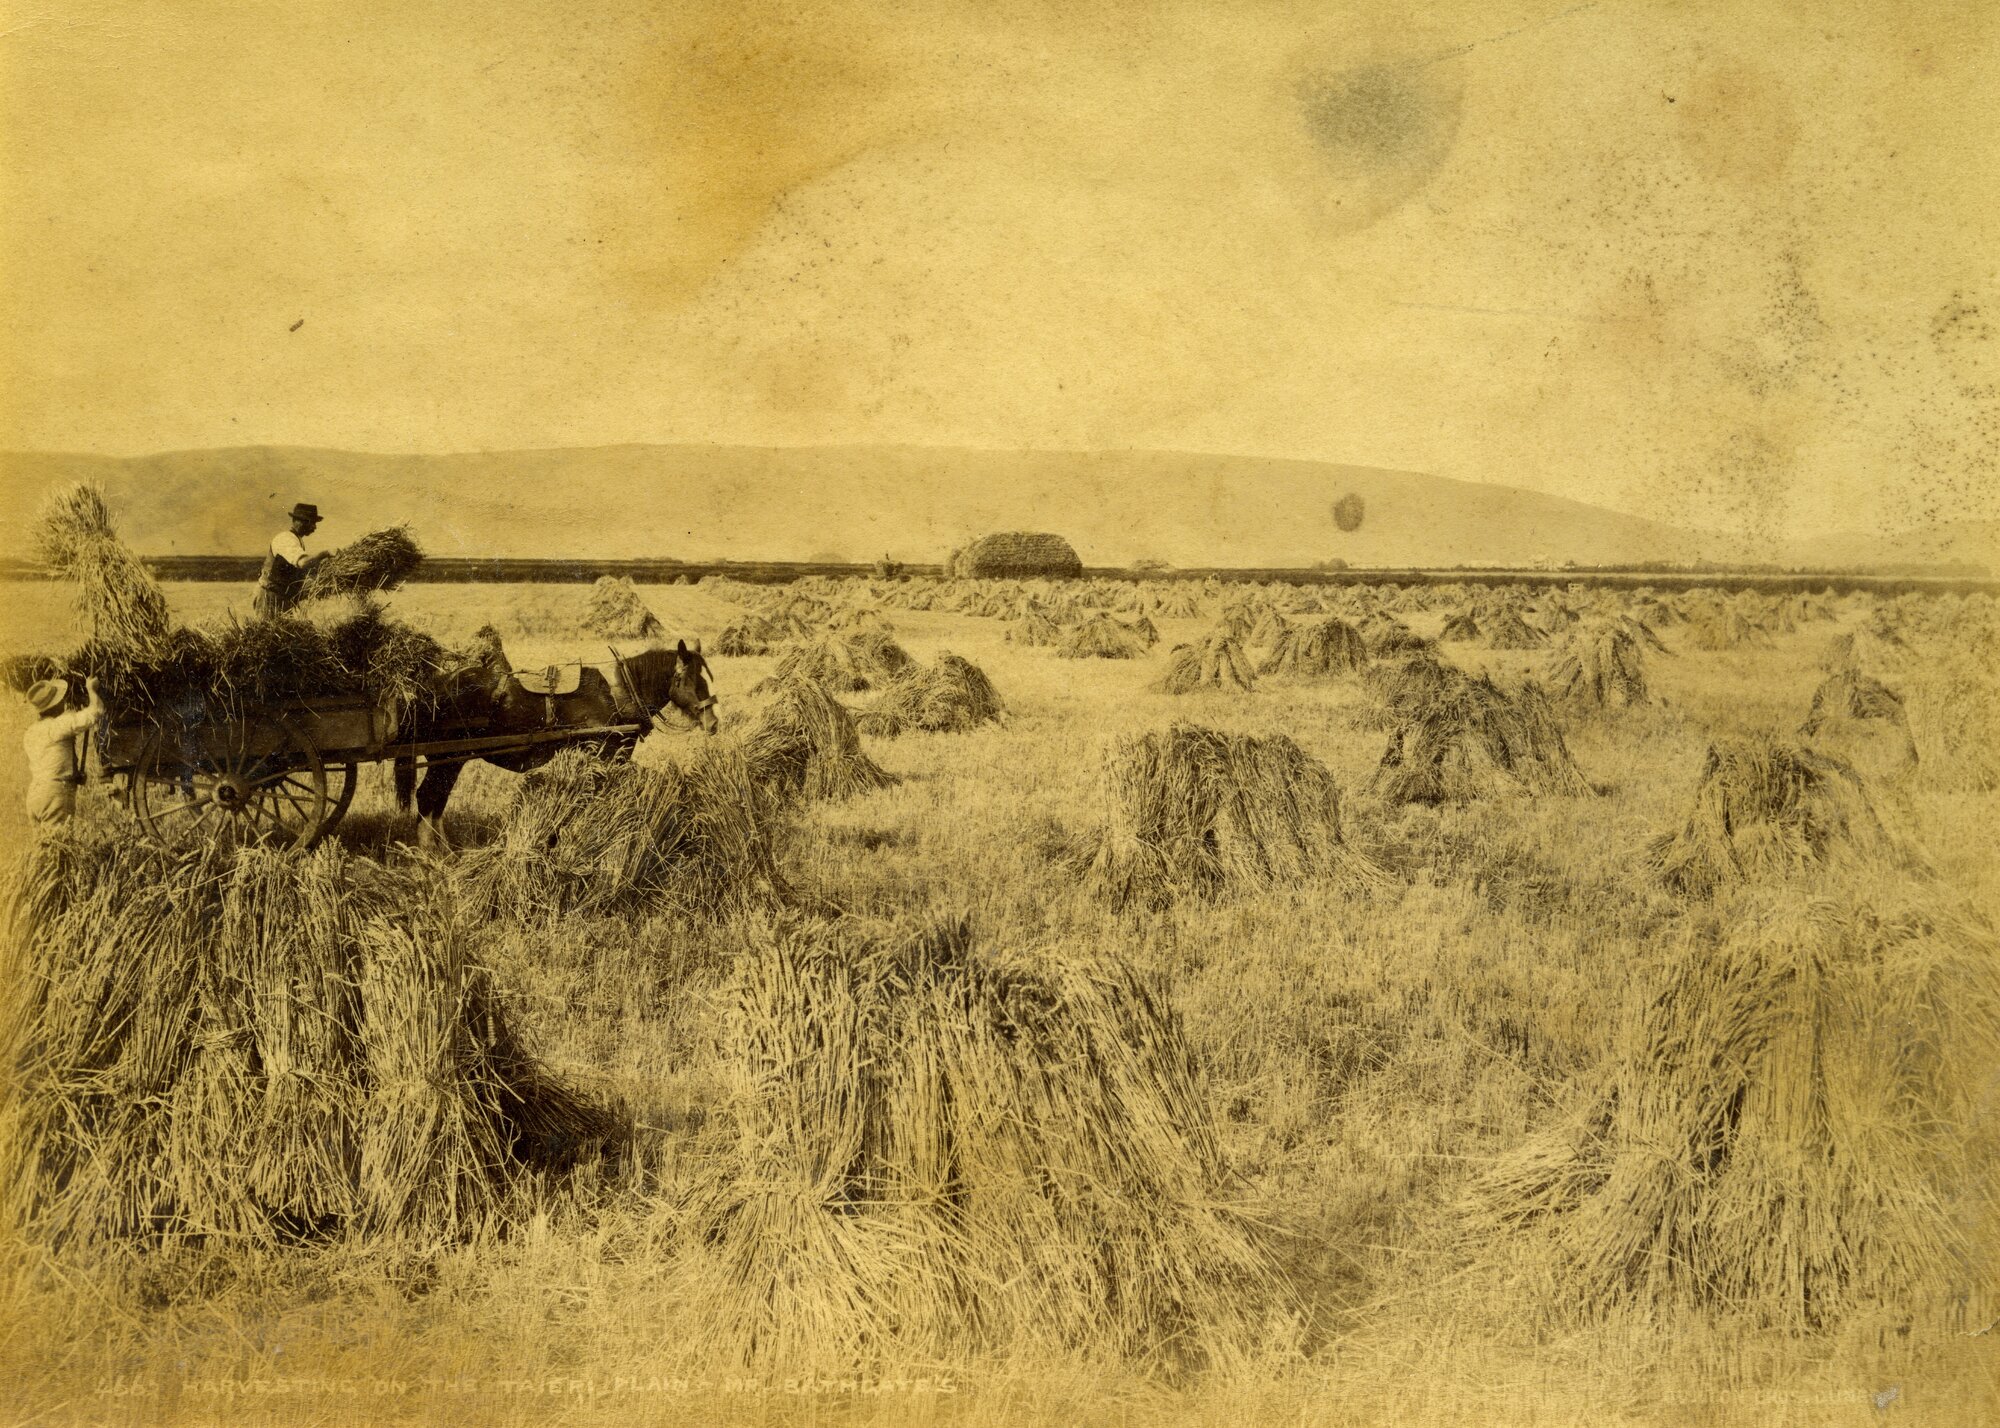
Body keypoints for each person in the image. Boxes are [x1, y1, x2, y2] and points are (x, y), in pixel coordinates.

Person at [22, 676, 106, 826]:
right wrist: (91, 689)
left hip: (34, 795)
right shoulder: (58, 725)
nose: (63, 702)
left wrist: (74, 774)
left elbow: (50, 760)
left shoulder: (30, 732)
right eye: (60, 700)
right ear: (55, 705)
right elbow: (96, 711)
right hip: (54, 793)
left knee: (42, 840)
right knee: (60, 839)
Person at [254, 502, 325, 617]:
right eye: (311, 522)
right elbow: (303, 562)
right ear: (300, 522)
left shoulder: (297, 540)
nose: (314, 527)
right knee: (268, 628)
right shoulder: (285, 539)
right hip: (270, 598)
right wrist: (324, 554)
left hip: (282, 599)